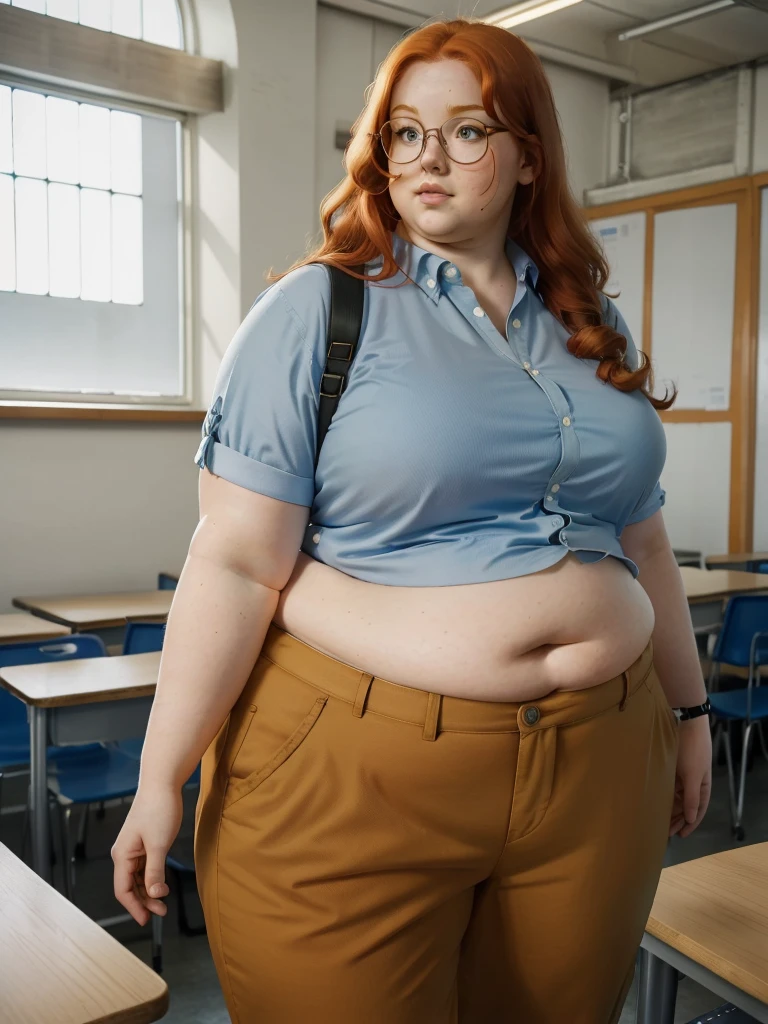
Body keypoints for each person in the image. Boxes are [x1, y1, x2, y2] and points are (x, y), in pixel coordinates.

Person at [112, 18, 712, 1024]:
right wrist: (160, 772)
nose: (428, 159)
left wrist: (689, 716)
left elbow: (642, 538)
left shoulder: (590, 322)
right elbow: (232, 564)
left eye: (467, 131)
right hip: (359, 763)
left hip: (601, 760)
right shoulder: (316, 312)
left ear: (528, 156)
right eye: (404, 133)